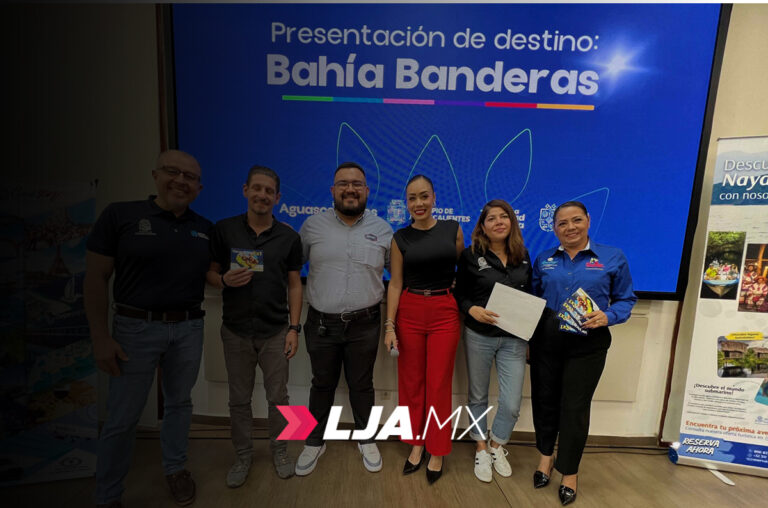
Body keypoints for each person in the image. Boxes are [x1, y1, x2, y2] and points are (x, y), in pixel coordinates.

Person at [85, 150, 211, 508]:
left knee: (179, 405)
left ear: (199, 188)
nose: (181, 181)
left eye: (190, 177)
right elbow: (96, 279)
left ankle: (175, 470)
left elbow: (211, 275)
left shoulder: (204, 228)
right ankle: (108, 496)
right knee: (123, 418)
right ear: (156, 174)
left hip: (188, 328)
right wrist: (100, 337)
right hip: (133, 330)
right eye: (173, 172)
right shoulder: (120, 216)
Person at [529, 201, 636, 506]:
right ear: (554, 228)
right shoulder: (544, 259)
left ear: (588, 221)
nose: (570, 227)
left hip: (588, 343)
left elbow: (626, 300)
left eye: (576, 220)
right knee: (545, 402)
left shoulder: (612, 257)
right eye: (562, 223)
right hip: (547, 341)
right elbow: (534, 298)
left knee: (574, 408)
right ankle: (545, 458)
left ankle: (570, 472)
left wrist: (609, 316)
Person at [206, 166, 303, 486]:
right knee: (238, 399)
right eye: (256, 188)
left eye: (269, 191)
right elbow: (209, 272)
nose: (262, 195)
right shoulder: (224, 230)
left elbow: (294, 285)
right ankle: (243, 455)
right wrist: (221, 280)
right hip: (235, 331)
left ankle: (281, 451)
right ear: (245, 190)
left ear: (277, 197)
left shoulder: (289, 237)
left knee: (281, 398)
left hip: (276, 331)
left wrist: (294, 328)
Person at [295, 162, 393, 476]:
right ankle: (314, 440)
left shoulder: (383, 230)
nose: (350, 189)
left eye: (356, 184)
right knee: (321, 383)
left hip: (366, 323)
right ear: (333, 190)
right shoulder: (311, 227)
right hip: (321, 323)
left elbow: (402, 275)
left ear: (366, 191)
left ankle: (366, 438)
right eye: (343, 184)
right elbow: (291, 273)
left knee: (362, 384)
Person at [385, 174, 464, 484]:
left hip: (445, 311)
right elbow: (396, 283)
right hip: (410, 311)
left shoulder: (453, 230)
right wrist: (389, 326)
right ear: (406, 203)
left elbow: (462, 268)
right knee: (411, 384)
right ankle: (416, 443)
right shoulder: (399, 238)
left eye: (423, 196)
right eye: (412, 198)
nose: (418, 203)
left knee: (439, 385)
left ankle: (438, 449)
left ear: (434, 198)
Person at [454, 199, 531, 483]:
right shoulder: (471, 256)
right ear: (483, 226)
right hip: (479, 336)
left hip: (514, 339)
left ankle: (497, 445)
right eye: (491, 218)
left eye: (504, 217)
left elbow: (530, 295)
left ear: (511, 221)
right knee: (478, 396)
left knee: (511, 403)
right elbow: (459, 293)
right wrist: (471, 309)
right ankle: (480, 447)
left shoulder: (523, 255)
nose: (498, 222)